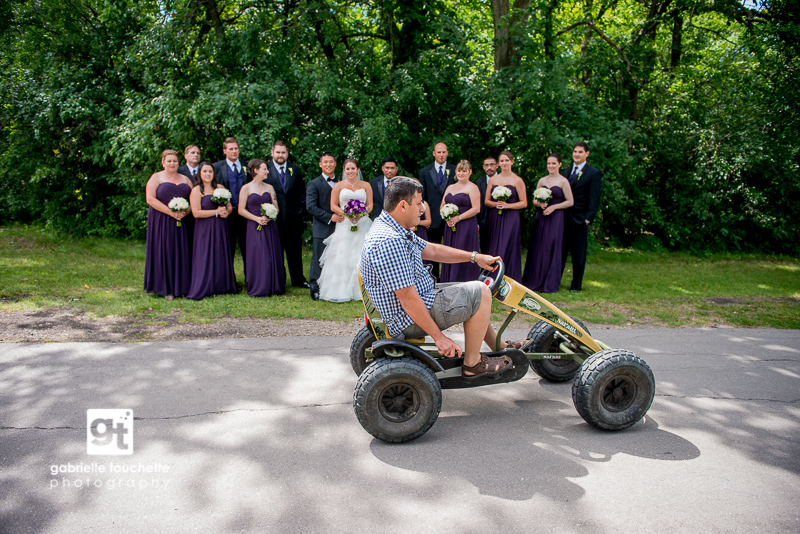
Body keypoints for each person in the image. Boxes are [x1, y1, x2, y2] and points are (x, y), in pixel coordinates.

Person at [359, 177, 532, 378]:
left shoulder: (392, 227)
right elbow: (408, 300)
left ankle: (500, 347)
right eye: (419, 203)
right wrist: (439, 338)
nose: (423, 208)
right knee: (481, 292)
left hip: (417, 299)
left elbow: (431, 250)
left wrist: (475, 257)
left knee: (473, 290)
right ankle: (473, 364)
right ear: (403, 206)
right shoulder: (390, 241)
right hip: (406, 319)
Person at [317, 158, 374, 302]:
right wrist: (347, 214)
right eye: (347, 169)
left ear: (358, 170)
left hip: (362, 223)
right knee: (343, 254)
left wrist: (362, 213)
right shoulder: (339, 186)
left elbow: (370, 205)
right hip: (345, 223)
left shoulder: (366, 185)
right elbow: (333, 206)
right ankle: (341, 290)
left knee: (361, 253)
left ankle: (363, 289)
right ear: (344, 170)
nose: (350, 171)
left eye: (353, 168)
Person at [143, 149, 194, 299]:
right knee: (165, 250)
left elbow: (194, 199)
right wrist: (170, 212)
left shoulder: (185, 179)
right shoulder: (156, 177)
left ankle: (183, 286)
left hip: (183, 220)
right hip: (162, 220)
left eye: (175, 161)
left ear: (179, 163)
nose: (172, 163)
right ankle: (166, 288)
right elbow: (150, 199)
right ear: (163, 162)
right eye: (169, 161)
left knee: (182, 250)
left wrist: (186, 212)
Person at [521, 153, 574, 293]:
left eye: (553, 163)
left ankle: (549, 283)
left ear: (560, 164)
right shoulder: (542, 180)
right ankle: (534, 279)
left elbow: (570, 201)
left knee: (551, 246)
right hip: (542, 216)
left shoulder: (563, 181)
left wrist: (554, 207)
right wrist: (540, 204)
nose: (550, 166)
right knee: (538, 246)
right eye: (549, 163)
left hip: (556, 217)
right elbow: (534, 200)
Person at [186, 162, 238, 300]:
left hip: (220, 226)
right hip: (204, 228)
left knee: (220, 253)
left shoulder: (220, 188)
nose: (208, 174)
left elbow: (229, 206)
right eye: (205, 171)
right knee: (206, 255)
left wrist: (226, 212)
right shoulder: (197, 190)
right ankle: (206, 286)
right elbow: (196, 213)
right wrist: (216, 212)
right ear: (200, 173)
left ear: (214, 173)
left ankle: (222, 286)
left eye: (210, 171)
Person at [238, 159, 286, 297]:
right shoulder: (246, 188)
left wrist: (269, 217)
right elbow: (241, 210)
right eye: (264, 169)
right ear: (255, 170)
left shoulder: (270, 188)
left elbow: (276, 208)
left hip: (270, 226)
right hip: (254, 226)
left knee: (271, 254)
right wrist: (257, 219)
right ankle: (259, 285)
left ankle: (274, 284)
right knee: (258, 255)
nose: (267, 172)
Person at [266, 140, 309, 289]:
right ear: (272, 153)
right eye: (278, 152)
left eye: (283, 152)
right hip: (274, 218)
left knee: (295, 251)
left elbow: (301, 192)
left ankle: (298, 279)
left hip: (293, 218)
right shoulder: (265, 168)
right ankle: (280, 279)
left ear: (287, 153)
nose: (280, 155)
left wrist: (300, 212)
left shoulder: (295, 169)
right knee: (276, 251)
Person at [560, 142, 602, 292]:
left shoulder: (593, 173)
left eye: (580, 152)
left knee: (578, 254)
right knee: (560, 252)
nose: (576, 154)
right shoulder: (565, 172)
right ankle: (555, 281)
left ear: (587, 154)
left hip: (580, 220)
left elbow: (594, 198)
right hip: (563, 219)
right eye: (575, 151)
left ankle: (576, 285)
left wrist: (587, 218)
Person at [484, 150, 527, 281]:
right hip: (495, 217)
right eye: (501, 161)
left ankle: (509, 278)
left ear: (512, 162)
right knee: (494, 245)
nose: (504, 163)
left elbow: (524, 203)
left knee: (509, 245)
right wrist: (495, 204)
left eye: (506, 160)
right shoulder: (493, 180)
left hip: (511, 217)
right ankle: (492, 277)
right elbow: (486, 201)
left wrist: (507, 206)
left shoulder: (518, 180)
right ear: (498, 164)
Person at [306, 153, 341, 300]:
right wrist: (329, 217)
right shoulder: (314, 183)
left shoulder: (341, 182)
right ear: (320, 164)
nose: (328, 164)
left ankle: (334, 288)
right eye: (325, 162)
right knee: (319, 259)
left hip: (341, 227)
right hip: (322, 227)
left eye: (331, 162)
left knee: (337, 258)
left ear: (335, 164)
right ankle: (315, 288)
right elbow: (310, 206)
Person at [418, 141, 456, 278]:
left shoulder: (455, 170)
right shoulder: (425, 172)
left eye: (444, 152)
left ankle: (450, 276)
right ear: (434, 153)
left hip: (451, 217)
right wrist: (423, 217)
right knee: (432, 250)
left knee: (451, 248)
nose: (441, 155)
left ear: (447, 153)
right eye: (439, 152)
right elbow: (422, 197)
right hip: (432, 217)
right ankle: (433, 278)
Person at [213, 137, 250, 276]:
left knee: (247, 247)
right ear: (224, 151)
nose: (234, 151)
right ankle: (229, 280)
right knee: (227, 248)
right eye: (231, 149)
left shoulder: (247, 166)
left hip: (245, 213)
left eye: (236, 148)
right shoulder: (217, 167)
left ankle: (250, 279)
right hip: (227, 213)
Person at [439, 160, 481, 283]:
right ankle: (448, 280)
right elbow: (442, 205)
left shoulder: (473, 187)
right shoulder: (450, 187)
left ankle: (464, 281)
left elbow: (476, 209)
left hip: (466, 225)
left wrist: (459, 218)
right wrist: (447, 217)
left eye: (464, 171)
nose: (461, 173)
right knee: (449, 251)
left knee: (463, 250)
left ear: (470, 172)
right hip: (450, 225)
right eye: (459, 171)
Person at [476, 156, 497, 253]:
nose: (489, 167)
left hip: (501, 218)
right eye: (487, 165)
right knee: (485, 249)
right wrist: (477, 223)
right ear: (483, 167)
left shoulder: (504, 180)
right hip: (483, 221)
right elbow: (476, 203)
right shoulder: (478, 182)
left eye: (492, 165)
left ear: (497, 165)